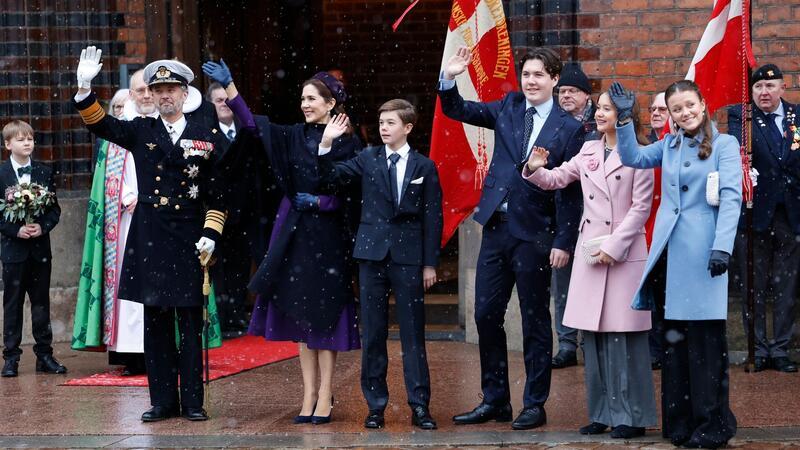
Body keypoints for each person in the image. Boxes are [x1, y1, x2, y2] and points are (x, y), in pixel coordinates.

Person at [73, 47, 228, 422]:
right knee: (156, 324)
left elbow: (218, 190)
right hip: (153, 237)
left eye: (171, 90)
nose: (164, 96)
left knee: (190, 323)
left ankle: (192, 401)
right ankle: (161, 401)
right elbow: (101, 125)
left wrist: (211, 231)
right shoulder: (142, 130)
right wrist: (84, 89)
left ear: (184, 93)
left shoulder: (204, 132)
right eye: (157, 91)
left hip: (191, 237)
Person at [202, 60, 360, 424]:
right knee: (302, 317)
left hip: (327, 236)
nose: (305, 104)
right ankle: (307, 393)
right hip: (293, 232)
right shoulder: (291, 135)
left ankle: (325, 394)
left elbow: (351, 190)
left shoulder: (347, 142)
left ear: (331, 104)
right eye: (303, 98)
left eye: (312, 99)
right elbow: (255, 126)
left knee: (323, 317)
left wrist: (324, 172)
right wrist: (232, 89)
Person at [439, 46, 585, 430]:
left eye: (539, 75)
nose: (531, 81)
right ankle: (495, 399)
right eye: (527, 74)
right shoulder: (508, 106)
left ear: (555, 79)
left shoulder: (569, 128)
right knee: (486, 313)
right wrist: (450, 78)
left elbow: (571, 193)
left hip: (536, 233)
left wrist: (563, 241)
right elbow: (459, 111)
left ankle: (534, 403)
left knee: (536, 320)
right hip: (496, 228)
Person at [612, 80, 740, 448]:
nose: (684, 114)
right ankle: (681, 421)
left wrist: (723, 247)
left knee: (705, 343)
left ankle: (713, 423)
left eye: (689, 106)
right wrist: (624, 119)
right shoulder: (667, 144)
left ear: (703, 103)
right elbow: (632, 158)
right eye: (677, 109)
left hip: (705, 254)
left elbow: (730, 198)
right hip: (668, 254)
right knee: (675, 341)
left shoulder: (724, 144)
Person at [523, 90, 657, 438]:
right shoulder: (588, 149)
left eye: (607, 109)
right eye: (598, 107)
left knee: (624, 338)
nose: (599, 113)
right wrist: (535, 170)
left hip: (624, 252)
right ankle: (601, 411)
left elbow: (640, 208)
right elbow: (558, 179)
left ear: (625, 114)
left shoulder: (639, 154)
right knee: (594, 336)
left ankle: (631, 416)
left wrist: (615, 245)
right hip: (590, 252)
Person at [315, 99, 443, 430]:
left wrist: (430, 264)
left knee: (413, 334)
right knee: (373, 332)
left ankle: (419, 405)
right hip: (371, 256)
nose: (384, 127)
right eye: (381, 122)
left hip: (408, 257)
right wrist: (326, 142)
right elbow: (331, 178)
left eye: (390, 123)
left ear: (408, 127)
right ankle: (375, 405)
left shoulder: (424, 166)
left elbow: (433, 217)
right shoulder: (368, 158)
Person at [729, 64, 800, 373]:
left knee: (787, 285)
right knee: (753, 285)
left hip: (792, 214)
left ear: (783, 89)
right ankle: (756, 349)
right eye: (758, 88)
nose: (764, 92)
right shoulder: (741, 117)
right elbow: (737, 152)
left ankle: (781, 348)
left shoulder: (798, 116)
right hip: (755, 213)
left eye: (771, 87)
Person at [0, 120, 64, 378]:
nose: (27, 143)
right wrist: (16, 230)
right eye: (20, 139)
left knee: (41, 303)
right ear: (7, 145)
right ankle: (11, 357)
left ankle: (44, 355)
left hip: (39, 250)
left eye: (30, 138)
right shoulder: (1, 174)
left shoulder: (44, 172)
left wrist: (42, 226)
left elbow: (54, 209)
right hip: (13, 250)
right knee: (12, 304)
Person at [550, 62, 596, 369]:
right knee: (562, 281)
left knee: (593, 279)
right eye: (561, 91)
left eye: (572, 91)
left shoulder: (599, 120)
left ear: (586, 95)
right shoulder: (552, 122)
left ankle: (592, 340)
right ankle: (566, 342)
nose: (565, 96)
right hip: (560, 209)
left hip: (596, 211)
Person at [206, 82, 252, 335]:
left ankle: (237, 314)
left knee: (241, 265)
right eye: (218, 101)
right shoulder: (208, 133)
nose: (224, 104)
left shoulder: (246, 131)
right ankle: (222, 318)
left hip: (244, 211)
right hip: (217, 210)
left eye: (227, 99)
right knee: (219, 266)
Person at [646, 91, 669, 371]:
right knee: (650, 294)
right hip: (645, 230)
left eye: (662, 109)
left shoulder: (675, 146)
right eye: (652, 108)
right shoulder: (643, 146)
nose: (655, 113)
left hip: (668, 231)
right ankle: (653, 349)